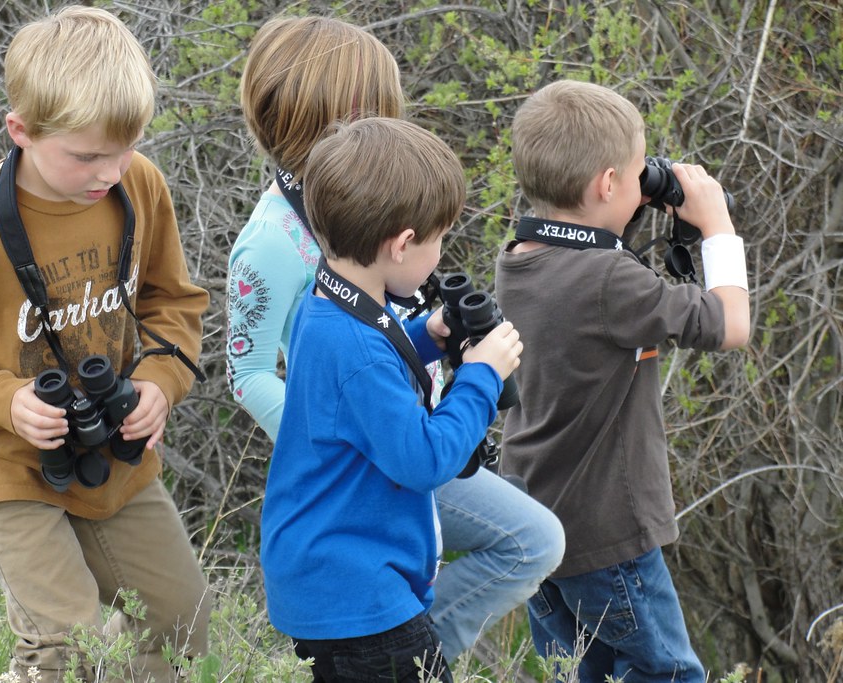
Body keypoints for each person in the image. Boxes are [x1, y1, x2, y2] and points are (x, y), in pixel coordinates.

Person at [0, 7, 211, 682]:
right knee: (68, 643)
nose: (110, 170)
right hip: (1, 457)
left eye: (125, 148)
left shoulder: (139, 185)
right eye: (87, 155)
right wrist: (5, 399)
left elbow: (173, 301)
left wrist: (158, 380)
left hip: (110, 447)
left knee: (182, 617)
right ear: (21, 130)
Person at [225, 14, 564, 664]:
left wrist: (429, 339)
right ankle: (396, 647)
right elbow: (250, 372)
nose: (388, 124)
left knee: (531, 535)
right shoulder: (272, 241)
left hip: (402, 437)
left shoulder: (360, 212)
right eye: (372, 113)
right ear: (323, 119)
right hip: (377, 458)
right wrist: (339, 450)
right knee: (524, 540)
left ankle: (398, 644)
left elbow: (364, 340)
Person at [495, 79, 751, 681]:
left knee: (592, 673)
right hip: (606, 534)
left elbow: (592, 259)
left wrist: (632, 206)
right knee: (670, 674)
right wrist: (715, 226)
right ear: (608, 185)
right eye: (638, 176)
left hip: (537, 519)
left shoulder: (522, 257)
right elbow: (730, 324)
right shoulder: (610, 282)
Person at [261, 116, 525, 682]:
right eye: (437, 240)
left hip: (326, 581)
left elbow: (357, 379)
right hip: (362, 605)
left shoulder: (326, 300)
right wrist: (480, 376)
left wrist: (423, 340)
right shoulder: (357, 343)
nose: (438, 255)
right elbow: (425, 460)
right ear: (402, 243)